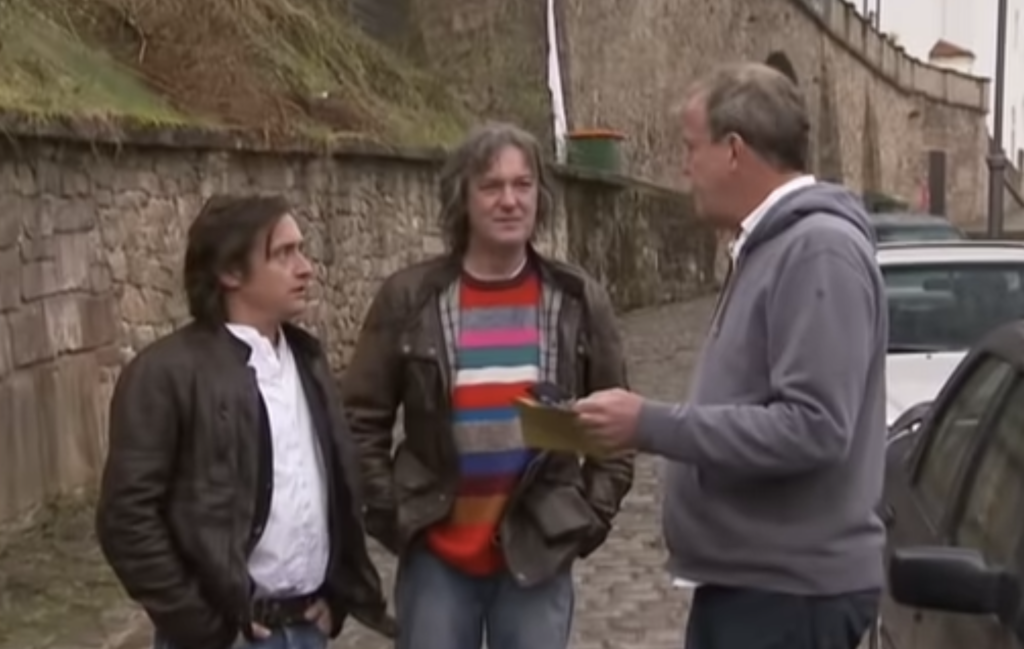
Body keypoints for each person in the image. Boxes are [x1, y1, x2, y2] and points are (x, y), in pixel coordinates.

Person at [572, 62, 888, 649]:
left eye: (692, 147)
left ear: (735, 151)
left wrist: (649, 424)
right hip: (756, 586)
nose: (684, 167)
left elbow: (815, 427)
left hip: (788, 597)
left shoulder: (817, 250)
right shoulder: (771, 247)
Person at [343, 122, 635, 649]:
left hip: (538, 550)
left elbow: (617, 428)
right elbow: (361, 420)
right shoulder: (410, 299)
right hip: (437, 555)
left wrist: (589, 517)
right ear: (463, 197)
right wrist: (391, 512)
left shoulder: (576, 299)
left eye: (523, 185)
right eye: (491, 186)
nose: (509, 200)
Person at [95, 194, 393, 649]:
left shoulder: (308, 361)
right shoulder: (166, 373)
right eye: (284, 253)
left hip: (307, 628)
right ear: (230, 272)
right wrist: (201, 623)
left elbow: (335, 490)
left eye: (301, 250)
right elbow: (126, 518)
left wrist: (337, 595)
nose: (306, 268)